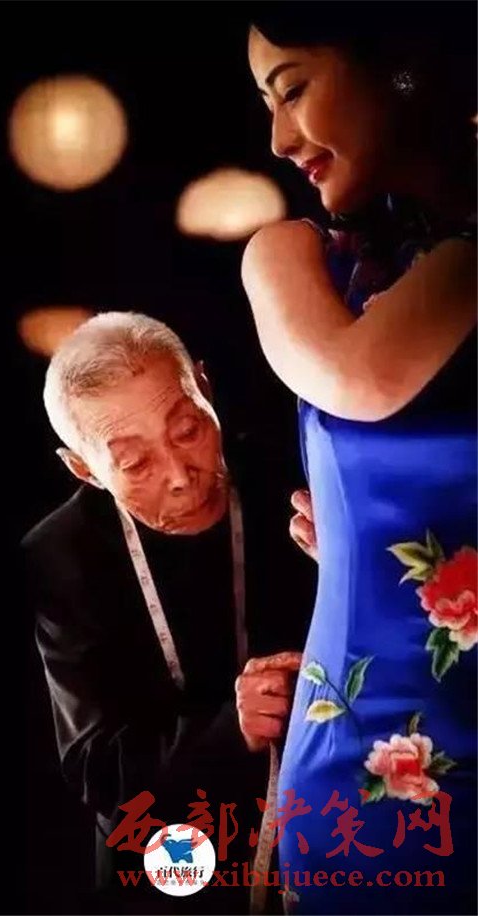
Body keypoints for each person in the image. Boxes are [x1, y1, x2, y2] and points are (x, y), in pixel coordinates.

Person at [236, 3, 477, 914]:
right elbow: (361, 380)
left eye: (293, 89)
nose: (278, 137)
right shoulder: (302, 261)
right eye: (268, 101)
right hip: (376, 772)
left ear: (397, 65)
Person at [22, 311, 311, 914]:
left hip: (312, 815)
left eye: (187, 430)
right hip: (166, 851)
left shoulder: (291, 478)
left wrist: (349, 561)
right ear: (84, 469)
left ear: (203, 387)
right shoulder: (63, 556)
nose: (180, 476)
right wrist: (231, 730)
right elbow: (96, 769)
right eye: (135, 464)